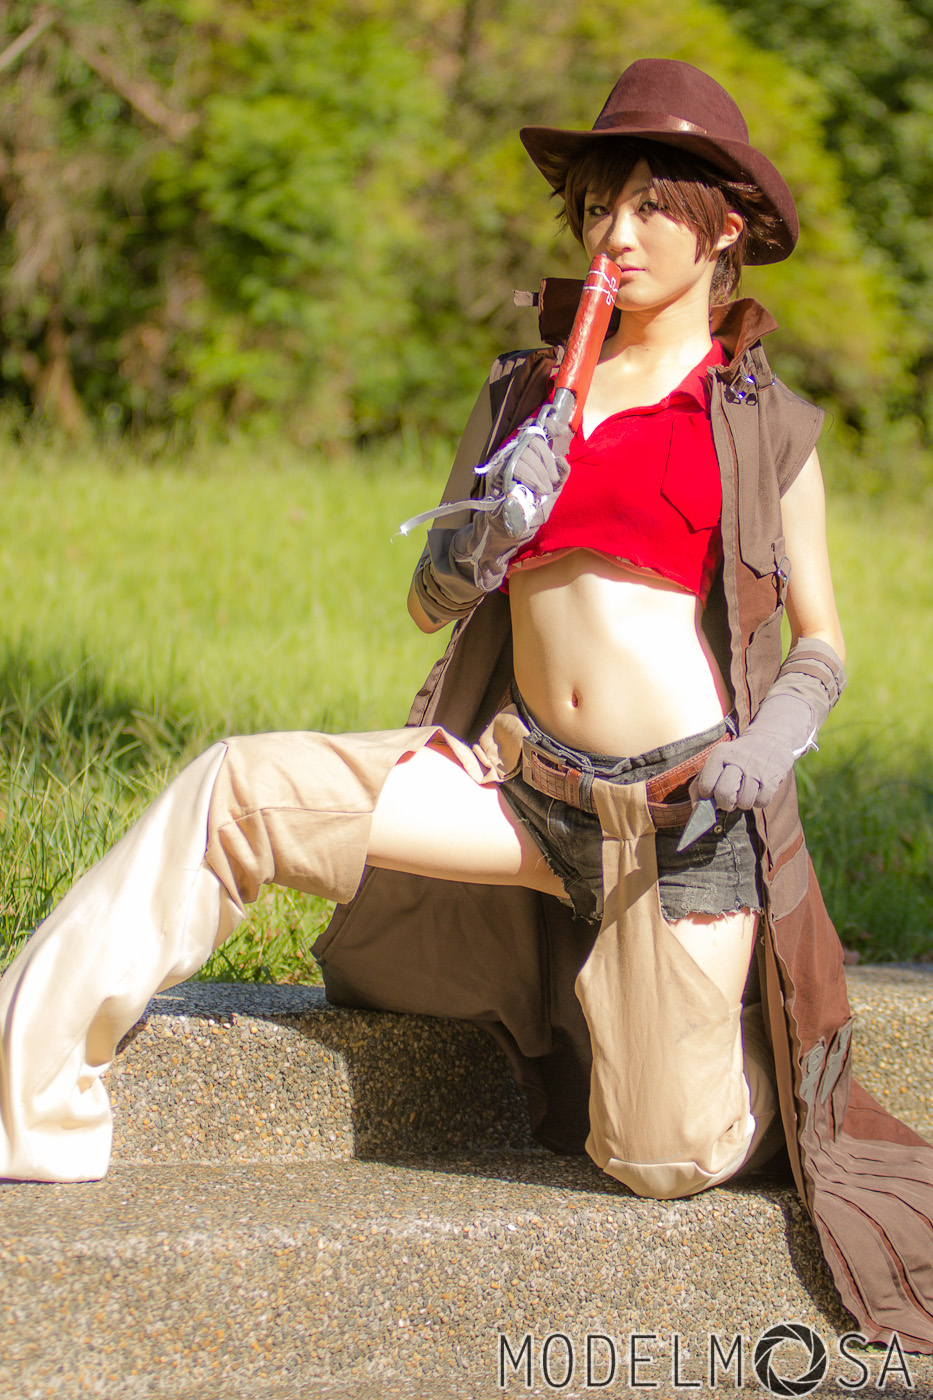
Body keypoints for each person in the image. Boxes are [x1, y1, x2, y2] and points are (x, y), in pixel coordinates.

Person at [1, 59, 931, 1350]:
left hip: (683, 822)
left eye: (648, 207)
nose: (613, 234)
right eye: (597, 206)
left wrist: (771, 744)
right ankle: (30, 1097)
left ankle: (744, 1072)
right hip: (517, 786)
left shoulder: (764, 423)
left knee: (659, 1155)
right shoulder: (526, 393)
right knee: (236, 787)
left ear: (722, 229)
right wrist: (485, 532)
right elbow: (430, 601)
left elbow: (818, 642)